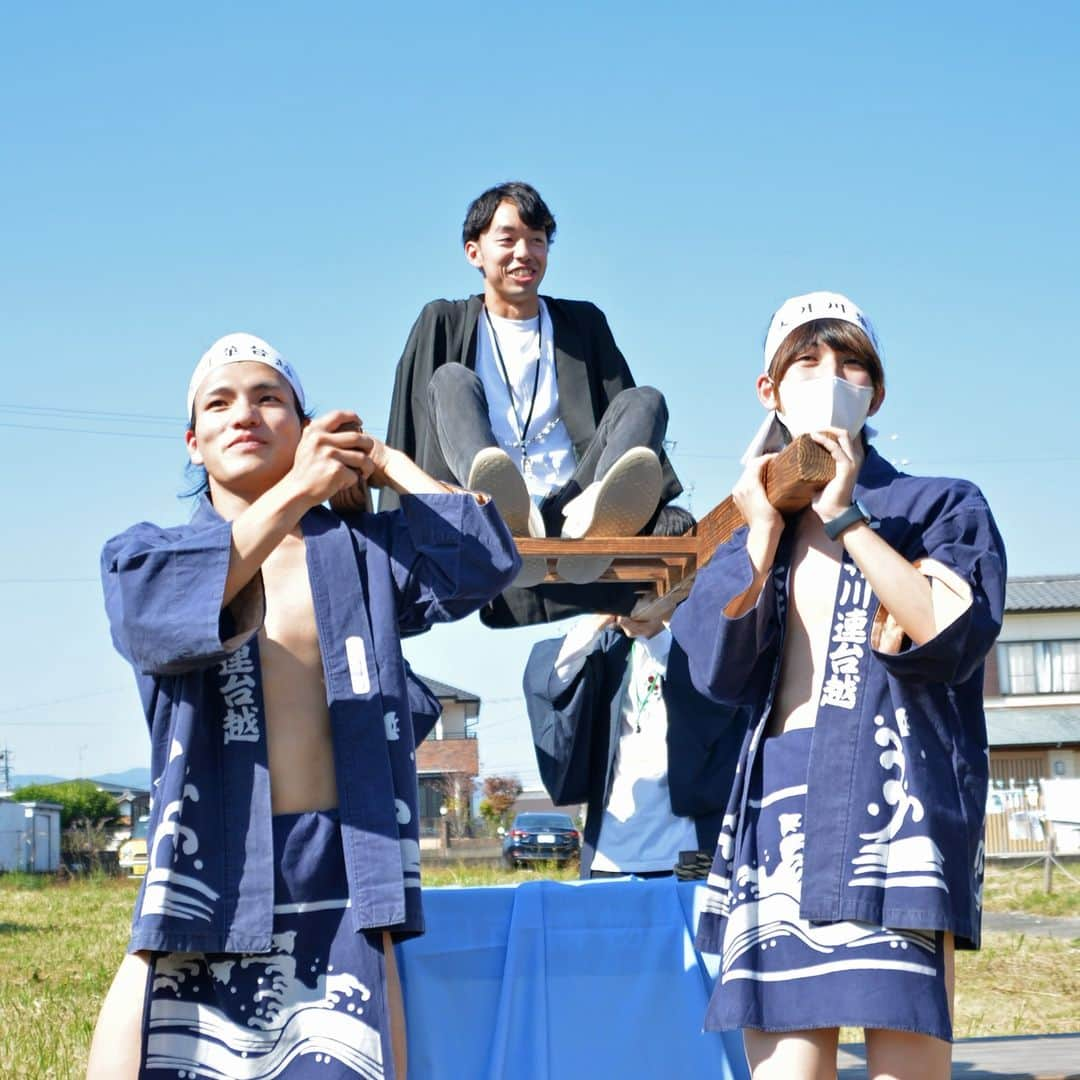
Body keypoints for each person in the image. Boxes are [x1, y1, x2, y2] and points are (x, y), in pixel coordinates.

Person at [88, 332, 519, 1079]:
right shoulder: (150, 554)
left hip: (348, 862)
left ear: (304, 425)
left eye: (269, 399)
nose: (244, 414)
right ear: (194, 444)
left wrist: (380, 461)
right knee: (158, 1022)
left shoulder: (361, 551)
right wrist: (298, 491)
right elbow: (155, 621)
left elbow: (484, 558)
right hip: (214, 859)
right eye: (218, 403)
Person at [669, 292, 1006, 1079]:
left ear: (876, 393)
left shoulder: (938, 505)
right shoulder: (756, 528)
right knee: (788, 1069)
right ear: (769, 390)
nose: (832, 380)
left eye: (852, 364)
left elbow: (947, 632)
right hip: (781, 806)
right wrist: (758, 531)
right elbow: (714, 667)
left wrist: (849, 516)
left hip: (894, 800)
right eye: (808, 362)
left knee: (907, 1068)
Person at [382, 180, 683, 627]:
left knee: (646, 400)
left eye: (537, 241)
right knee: (449, 379)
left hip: (574, 508)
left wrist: (659, 514)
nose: (524, 252)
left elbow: (627, 426)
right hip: (481, 513)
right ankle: (498, 503)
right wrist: (391, 545)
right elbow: (408, 431)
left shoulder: (582, 323)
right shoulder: (443, 321)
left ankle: (599, 519)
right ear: (474, 252)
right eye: (507, 239)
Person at [524, 507, 748, 879]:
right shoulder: (606, 649)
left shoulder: (707, 643)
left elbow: (709, 698)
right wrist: (603, 613)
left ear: (685, 579)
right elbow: (550, 678)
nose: (635, 596)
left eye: (648, 581)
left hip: (689, 854)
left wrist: (659, 625)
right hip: (609, 855)